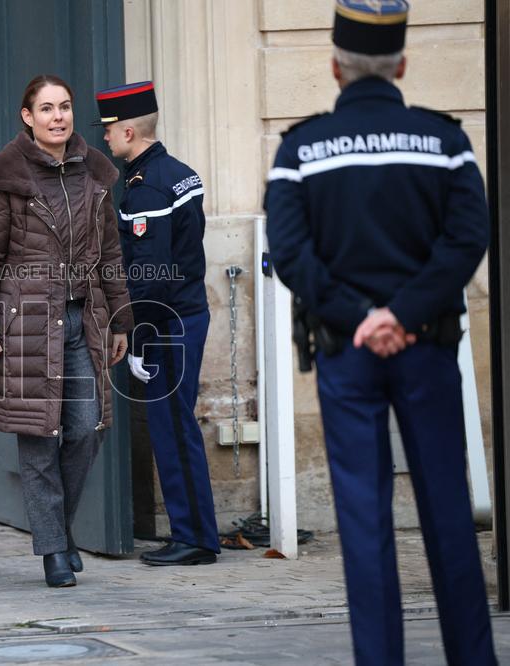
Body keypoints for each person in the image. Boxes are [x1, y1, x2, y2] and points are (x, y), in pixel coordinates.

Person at [264, 2, 497, 664]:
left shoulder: (299, 150)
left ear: (336, 66)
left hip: (348, 352)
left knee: (366, 528)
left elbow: (290, 252)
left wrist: (361, 316)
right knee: (450, 519)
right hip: (425, 347)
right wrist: (406, 312)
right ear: (401, 63)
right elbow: (467, 238)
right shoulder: (445, 142)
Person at [0, 75, 132, 587]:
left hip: (85, 318)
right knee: (38, 438)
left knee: (85, 429)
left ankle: (57, 528)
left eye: (64, 107)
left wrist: (122, 318)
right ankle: (54, 551)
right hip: (26, 325)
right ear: (27, 116)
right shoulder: (6, 175)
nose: (58, 117)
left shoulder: (95, 174)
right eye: (46, 108)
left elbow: (110, 254)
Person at [96, 81, 220, 567]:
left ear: (129, 130)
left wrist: (143, 337)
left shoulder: (146, 186)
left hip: (168, 323)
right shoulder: (178, 173)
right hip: (185, 314)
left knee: (171, 428)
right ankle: (195, 532)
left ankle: (194, 538)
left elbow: (149, 273)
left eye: (109, 130)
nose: (105, 139)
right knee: (175, 425)